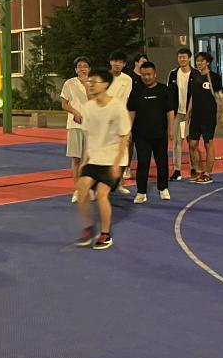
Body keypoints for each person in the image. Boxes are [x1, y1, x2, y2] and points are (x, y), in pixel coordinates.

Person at [74, 69, 131, 250]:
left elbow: (125, 136)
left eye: (94, 82)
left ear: (105, 84)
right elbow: (90, 136)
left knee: (101, 193)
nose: (90, 85)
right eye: (89, 82)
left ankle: (105, 234)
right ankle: (88, 229)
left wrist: (117, 164)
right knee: (82, 189)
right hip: (94, 158)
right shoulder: (89, 107)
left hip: (113, 159)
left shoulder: (117, 107)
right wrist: (85, 160)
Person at [127, 61, 174, 203]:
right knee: (143, 163)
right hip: (141, 135)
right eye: (143, 75)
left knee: (162, 161)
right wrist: (128, 130)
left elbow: (170, 111)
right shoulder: (136, 90)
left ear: (155, 74)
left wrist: (171, 129)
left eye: (149, 74)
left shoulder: (164, 90)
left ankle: (163, 188)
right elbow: (131, 111)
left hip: (160, 134)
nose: (146, 77)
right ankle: (141, 192)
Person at [187, 51, 223, 184]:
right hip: (195, 116)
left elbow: (220, 96)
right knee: (192, 143)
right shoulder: (194, 76)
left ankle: (208, 173)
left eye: (202, 61)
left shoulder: (214, 77)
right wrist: (188, 111)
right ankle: (198, 171)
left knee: (208, 143)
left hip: (208, 115)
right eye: (197, 61)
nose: (199, 63)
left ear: (207, 62)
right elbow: (193, 95)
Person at [60, 57, 92, 203]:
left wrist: (86, 85)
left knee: (89, 160)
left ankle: (89, 188)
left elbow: (95, 102)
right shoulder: (69, 83)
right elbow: (64, 104)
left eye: (85, 66)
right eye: (79, 66)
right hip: (74, 125)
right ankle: (78, 189)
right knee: (76, 158)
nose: (82, 68)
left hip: (91, 126)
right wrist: (75, 112)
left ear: (89, 69)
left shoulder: (94, 83)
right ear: (75, 69)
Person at [167, 47, 201, 181]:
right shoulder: (173, 74)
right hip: (178, 114)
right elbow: (169, 94)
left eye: (184, 57)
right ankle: (177, 170)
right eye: (179, 57)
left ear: (189, 58)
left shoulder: (196, 74)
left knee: (192, 143)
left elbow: (199, 94)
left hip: (192, 114)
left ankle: (194, 168)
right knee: (177, 143)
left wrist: (193, 112)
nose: (182, 59)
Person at [107, 51, 134, 192]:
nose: (117, 64)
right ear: (110, 62)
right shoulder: (104, 78)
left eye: (120, 62)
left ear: (124, 64)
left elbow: (127, 101)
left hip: (121, 120)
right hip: (105, 120)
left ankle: (118, 184)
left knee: (122, 155)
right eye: (114, 61)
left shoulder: (127, 80)